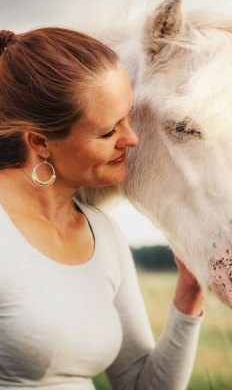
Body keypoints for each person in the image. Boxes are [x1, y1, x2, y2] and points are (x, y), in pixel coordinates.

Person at [0, 27, 204, 390]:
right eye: (109, 131)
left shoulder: (104, 234)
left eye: (128, 117)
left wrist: (190, 291)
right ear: (40, 143)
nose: (132, 138)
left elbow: (139, 384)